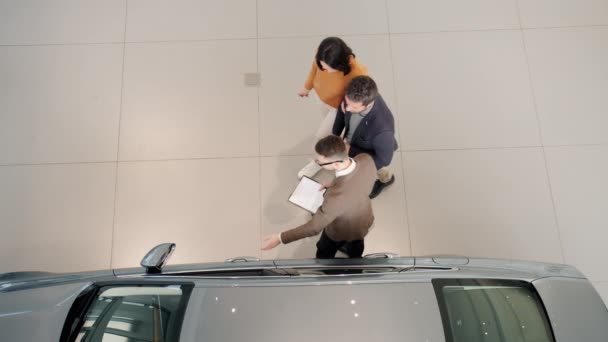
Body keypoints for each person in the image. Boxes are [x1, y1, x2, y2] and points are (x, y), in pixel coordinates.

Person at [262, 135, 377, 258]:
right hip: (365, 219)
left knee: (324, 251)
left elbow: (314, 228)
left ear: (336, 163)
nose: (317, 163)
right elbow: (355, 181)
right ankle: (355, 258)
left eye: (320, 163)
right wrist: (333, 184)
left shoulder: (335, 198)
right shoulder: (366, 159)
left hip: (340, 231)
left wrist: (280, 238)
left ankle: (326, 270)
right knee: (356, 247)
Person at [297, 37, 368, 179]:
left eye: (329, 68)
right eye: (322, 66)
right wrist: (307, 87)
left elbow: (361, 98)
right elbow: (314, 70)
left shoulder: (358, 72)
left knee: (322, 137)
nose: (325, 70)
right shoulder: (322, 54)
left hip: (339, 109)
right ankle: (333, 143)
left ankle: (318, 162)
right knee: (330, 130)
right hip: (323, 100)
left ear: (341, 64)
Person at [333, 75, 398, 198]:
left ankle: (386, 179)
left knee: (375, 171)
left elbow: (384, 159)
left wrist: (350, 150)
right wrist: (335, 135)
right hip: (354, 141)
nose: (347, 108)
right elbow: (342, 113)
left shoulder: (382, 130)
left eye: (354, 107)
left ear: (368, 104)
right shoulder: (352, 96)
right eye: (347, 103)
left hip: (368, 152)